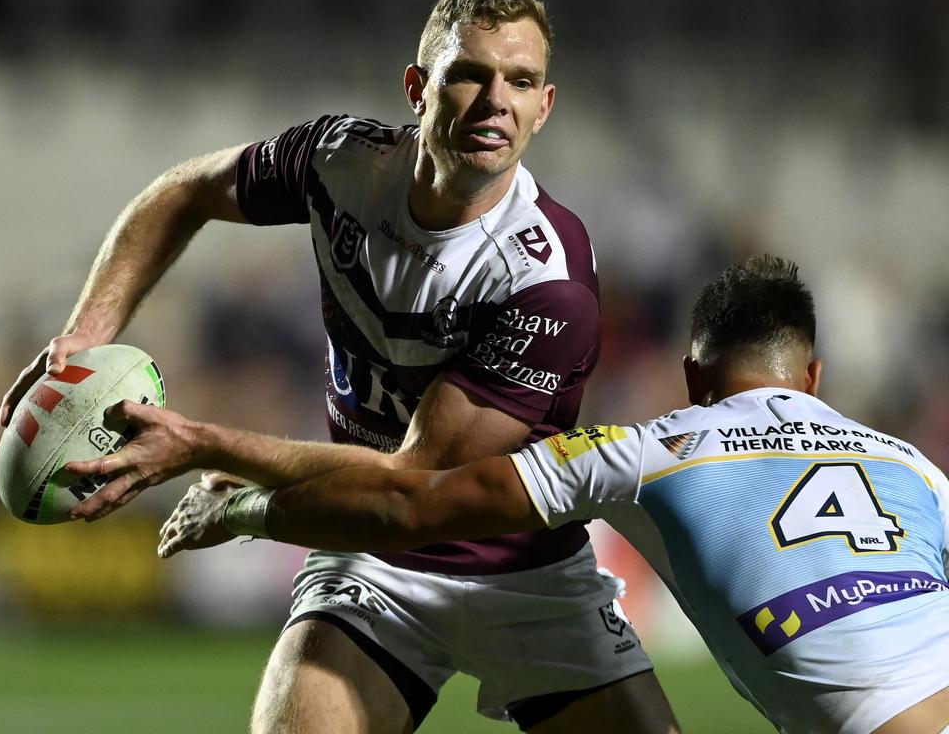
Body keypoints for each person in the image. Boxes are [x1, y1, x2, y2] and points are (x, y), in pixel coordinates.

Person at [0, 0, 679, 734]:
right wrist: (86, 335)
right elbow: (185, 192)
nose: (495, 101)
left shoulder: (546, 278)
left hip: (526, 575)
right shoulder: (337, 161)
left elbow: (414, 485)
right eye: (469, 74)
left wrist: (208, 453)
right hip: (372, 564)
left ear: (544, 107)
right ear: (417, 88)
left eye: (519, 82)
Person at [159, 254, 949, 734]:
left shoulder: (650, 449)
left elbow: (411, 503)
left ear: (691, 379)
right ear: (814, 378)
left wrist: (248, 506)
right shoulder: (916, 469)